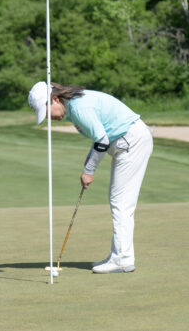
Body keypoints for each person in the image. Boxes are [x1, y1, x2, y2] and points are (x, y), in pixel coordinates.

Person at [28, 81, 153, 273]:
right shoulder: (74, 106)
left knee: (121, 201)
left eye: (47, 112)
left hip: (131, 141)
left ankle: (122, 259)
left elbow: (102, 140)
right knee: (119, 200)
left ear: (55, 99)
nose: (49, 118)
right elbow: (100, 137)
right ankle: (119, 255)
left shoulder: (78, 108)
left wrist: (89, 171)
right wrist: (89, 161)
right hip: (127, 141)